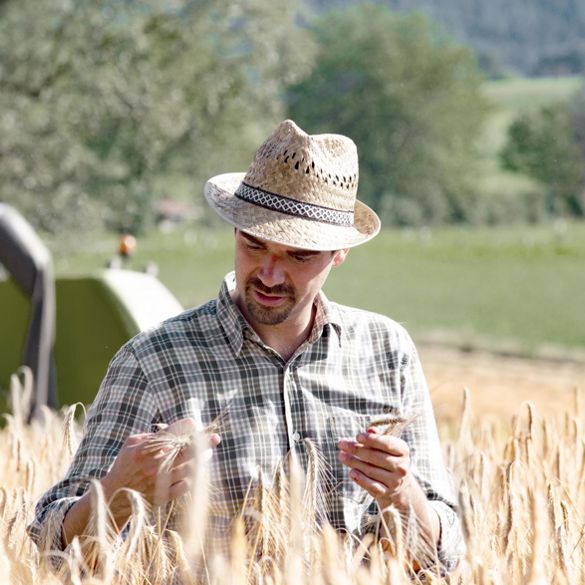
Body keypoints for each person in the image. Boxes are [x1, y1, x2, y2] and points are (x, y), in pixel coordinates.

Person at [28, 120, 464, 572]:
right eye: (254, 246)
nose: (271, 275)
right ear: (234, 232)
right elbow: (48, 553)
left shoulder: (386, 352)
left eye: (298, 255)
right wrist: (117, 493)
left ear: (340, 252)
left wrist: (402, 492)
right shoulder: (152, 362)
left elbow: (444, 556)